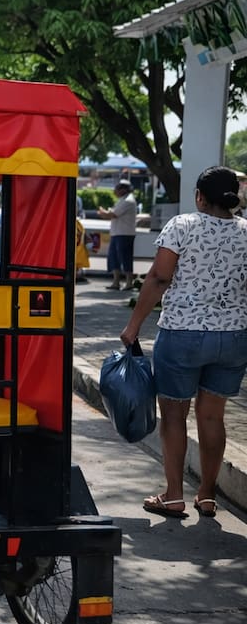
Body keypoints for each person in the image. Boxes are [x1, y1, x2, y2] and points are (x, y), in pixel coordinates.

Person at [121, 166, 247, 520]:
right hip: (233, 338)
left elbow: (160, 276)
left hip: (183, 335)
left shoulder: (183, 225)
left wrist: (133, 326)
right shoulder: (246, 233)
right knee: (212, 417)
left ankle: (174, 495)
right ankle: (206, 495)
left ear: (199, 196)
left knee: (174, 415)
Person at [98, 179, 138, 290]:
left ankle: (129, 282)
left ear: (123, 189)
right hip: (117, 233)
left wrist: (103, 213)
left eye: (117, 189)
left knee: (125, 258)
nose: (115, 191)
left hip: (124, 234)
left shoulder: (128, 201)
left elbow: (113, 214)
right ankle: (116, 282)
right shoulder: (122, 200)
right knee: (114, 258)